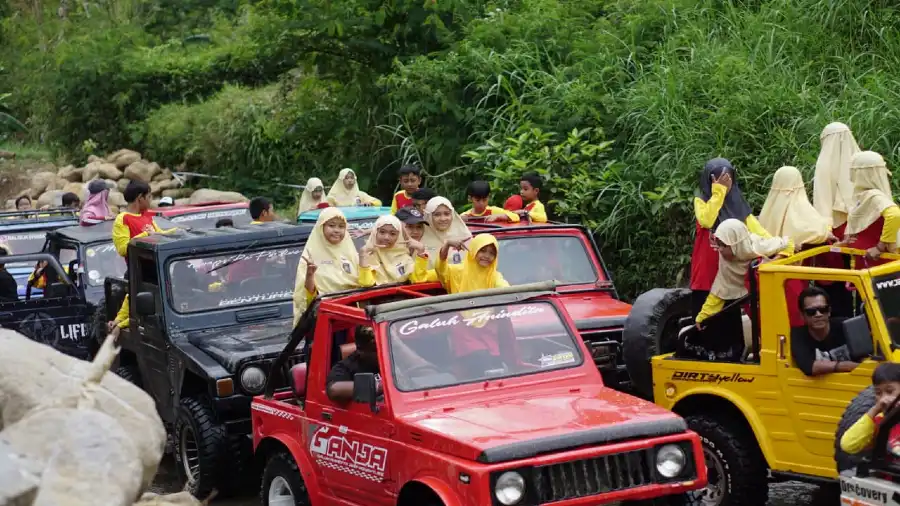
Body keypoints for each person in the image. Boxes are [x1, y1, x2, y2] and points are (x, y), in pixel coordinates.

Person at [690, 158, 790, 319]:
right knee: (706, 311)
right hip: (707, 268)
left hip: (731, 266)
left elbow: (757, 230)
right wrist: (719, 192)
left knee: (730, 310)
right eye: (718, 179)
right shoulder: (701, 201)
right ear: (709, 180)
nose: (724, 182)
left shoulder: (738, 203)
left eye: (727, 178)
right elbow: (707, 220)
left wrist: (777, 244)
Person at [690, 219, 792, 361]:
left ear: (735, 243)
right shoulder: (725, 261)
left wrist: (771, 264)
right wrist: (703, 316)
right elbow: (720, 290)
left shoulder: (757, 245)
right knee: (761, 325)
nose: (719, 250)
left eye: (723, 246)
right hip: (752, 297)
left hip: (774, 292)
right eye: (717, 245)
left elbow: (788, 244)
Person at [759, 166, 836, 326]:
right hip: (793, 275)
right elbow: (817, 230)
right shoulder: (801, 209)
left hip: (768, 273)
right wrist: (828, 230)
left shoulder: (768, 211)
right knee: (794, 314)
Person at [109, 181, 175, 336]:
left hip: (155, 269)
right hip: (138, 271)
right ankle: (119, 324)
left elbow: (160, 235)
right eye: (149, 196)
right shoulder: (122, 219)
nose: (151, 200)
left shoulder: (147, 217)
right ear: (140, 198)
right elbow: (123, 248)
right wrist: (146, 235)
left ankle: (118, 322)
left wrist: (177, 231)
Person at [292, 207, 366, 326]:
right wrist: (310, 275)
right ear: (321, 227)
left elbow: (363, 283)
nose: (337, 230)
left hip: (351, 318)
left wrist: (364, 259)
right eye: (331, 225)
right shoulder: (310, 256)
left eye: (341, 226)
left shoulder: (351, 253)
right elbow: (306, 297)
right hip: (324, 321)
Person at [844, 151, 900, 265]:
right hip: (864, 259)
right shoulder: (865, 195)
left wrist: (880, 247)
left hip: (877, 261)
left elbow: (894, 215)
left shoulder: (874, 196)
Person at [791, 286, 858, 376]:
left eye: (823, 309)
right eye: (811, 312)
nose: (818, 315)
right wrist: (845, 366)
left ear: (829, 311)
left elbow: (866, 357)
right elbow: (809, 367)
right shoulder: (796, 336)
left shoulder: (847, 326)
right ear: (802, 315)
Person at [840, 362, 900, 456]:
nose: (883, 399)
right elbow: (848, 445)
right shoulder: (878, 422)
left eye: (889, 391)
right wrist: (874, 410)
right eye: (878, 393)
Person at [359, 215, 429, 285]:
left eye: (392, 234)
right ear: (375, 233)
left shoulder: (403, 257)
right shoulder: (366, 255)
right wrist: (363, 257)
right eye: (382, 232)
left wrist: (421, 251)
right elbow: (366, 284)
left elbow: (418, 280)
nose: (386, 237)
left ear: (398, 236)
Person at [437, 233, 508, 294]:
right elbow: (440, 269)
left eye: (492, 253)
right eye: (482, 251)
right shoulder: (457, 270)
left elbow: (507, 290)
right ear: (474, 251)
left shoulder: (494, 276)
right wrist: (447, 245)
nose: (487, 256)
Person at [326, 326, 381, 403]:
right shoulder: (346, 367)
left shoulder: (392, 358)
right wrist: (378, 386)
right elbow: (333, 389)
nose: (384, 354)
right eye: (377, 350)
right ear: (360, 351)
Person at [421, 196, 472, 268]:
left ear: (452, 215)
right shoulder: (421, 239)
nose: (443, 219)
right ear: (429, 216)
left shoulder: (464, 236)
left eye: (447, 214)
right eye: (437, 215)